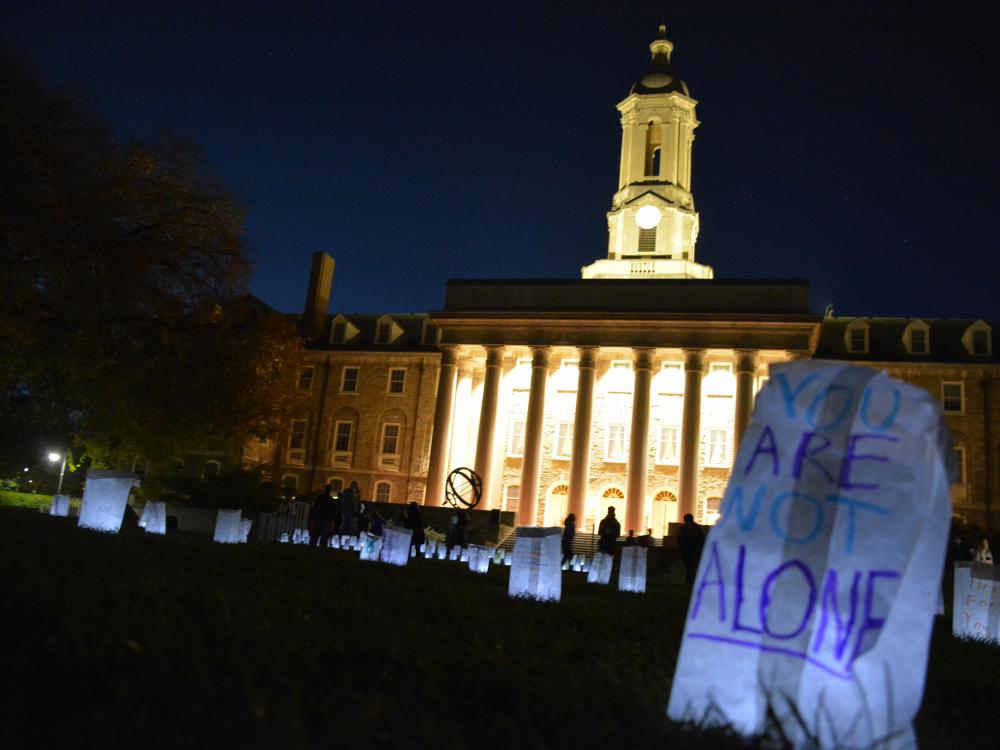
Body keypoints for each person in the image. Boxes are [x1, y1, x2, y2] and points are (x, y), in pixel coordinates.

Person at [678, 513, 705, 584]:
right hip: (689, 550)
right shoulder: (689, 528)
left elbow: (700, 540)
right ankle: (689, 580)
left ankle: (689, 581)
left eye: (685, 520)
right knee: (689, 567)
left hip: (693, 550)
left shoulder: (693, 529)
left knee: (691, 567)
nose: (685, 522)